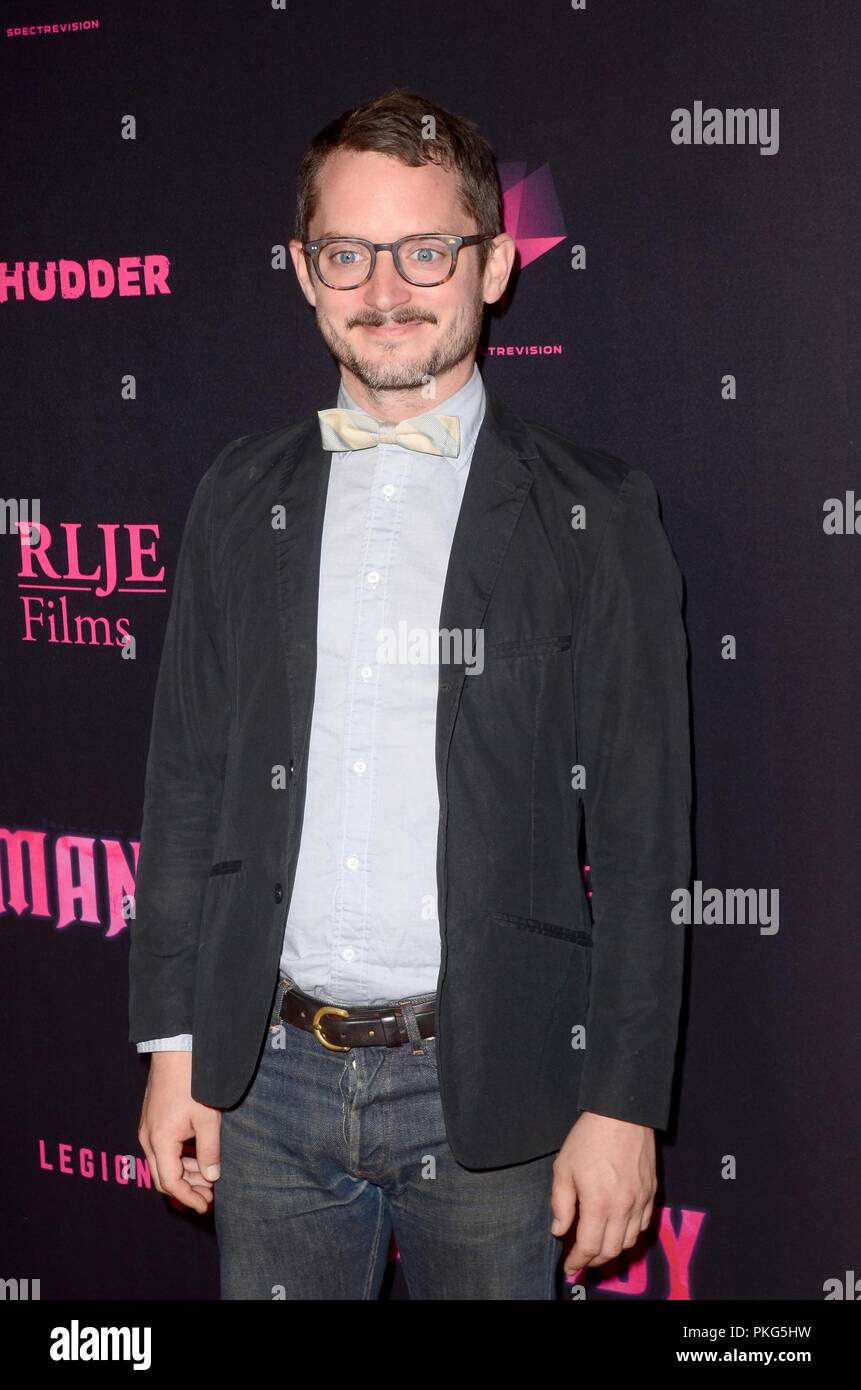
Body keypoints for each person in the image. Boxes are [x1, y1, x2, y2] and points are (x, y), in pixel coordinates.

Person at [130, 87, 692, 1300]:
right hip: (264, 1083)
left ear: (491, 264)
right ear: (303, 270)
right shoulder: (238, 493)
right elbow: (184, 789)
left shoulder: (595, 513)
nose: (385, 287)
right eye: (348, 252)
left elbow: (646, 844)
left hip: (499, 1086)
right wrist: (178, 1049)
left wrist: (624, 1104)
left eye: (424, 249)